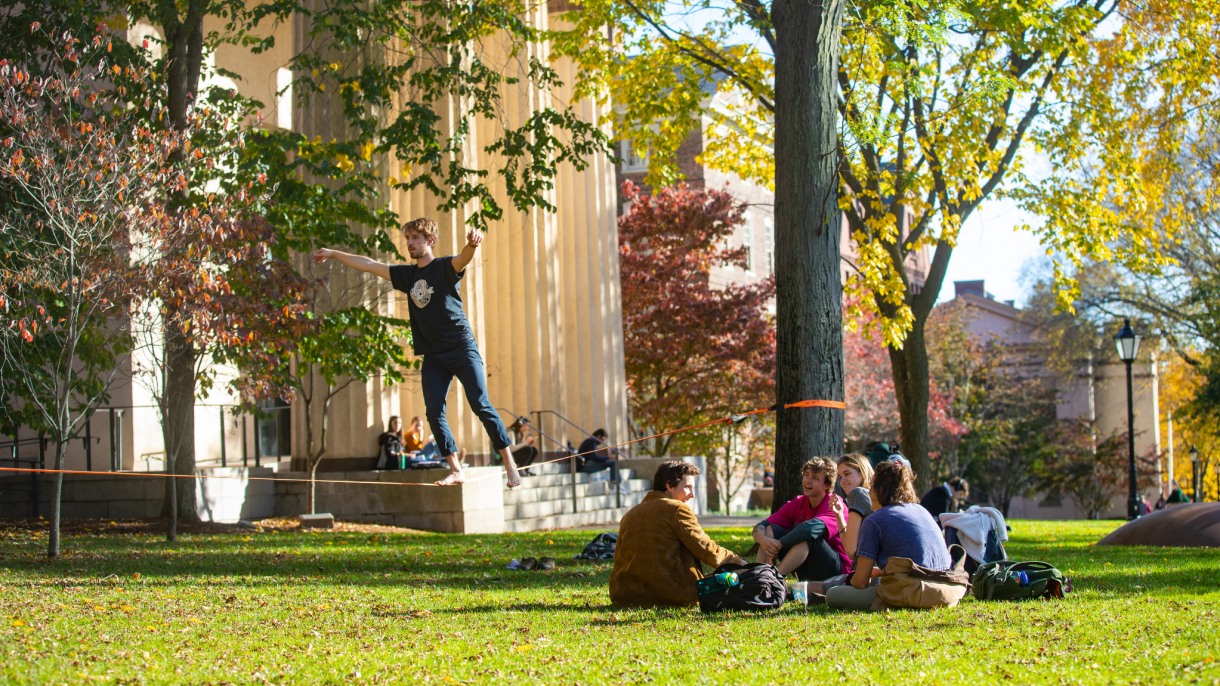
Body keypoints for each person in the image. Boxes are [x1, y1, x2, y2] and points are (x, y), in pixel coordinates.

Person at [313, 218, 521, 488]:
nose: (409, 243)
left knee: (480, 404)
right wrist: (333, 254)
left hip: (461, 348)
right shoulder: (407, 276)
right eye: (407, 238)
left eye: (415, 238)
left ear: (430, 241)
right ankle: (456, 469)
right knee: (434, 412)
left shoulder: (443, 268)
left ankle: (509, 463)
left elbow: (463, 259)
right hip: (434, 357)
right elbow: (368, 264)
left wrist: (471, 244)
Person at [609, 460, 744, 607]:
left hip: (624, 595)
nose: (692, 494)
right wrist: (739, 563)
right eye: (687, 487)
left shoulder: (630, 514)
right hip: (672, 595)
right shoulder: (677, 509)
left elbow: (619, 558)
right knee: (734, 578)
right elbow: (706, 548)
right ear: (669, 485)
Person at [826, 460, 953, 610]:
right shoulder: (921, 510)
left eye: (872, 486)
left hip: (911, 592)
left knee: (833, 594)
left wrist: (850, 581)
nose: (869, 492)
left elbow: (860, 582)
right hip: (946, 592)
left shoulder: (875, 520)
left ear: (881, 489)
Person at [751, 456, 851, 582]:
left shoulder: (834, 503)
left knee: (809, 538)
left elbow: (810, 529)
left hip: (835, 571)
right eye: (806, 474)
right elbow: (762, 525)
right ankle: (757, 577)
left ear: (826, 484)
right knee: (771, 529)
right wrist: (765, 541)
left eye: (815, 478)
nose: (807, 481)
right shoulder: (799, 502)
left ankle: (773, 580)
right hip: (807, 565)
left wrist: (779, 544)